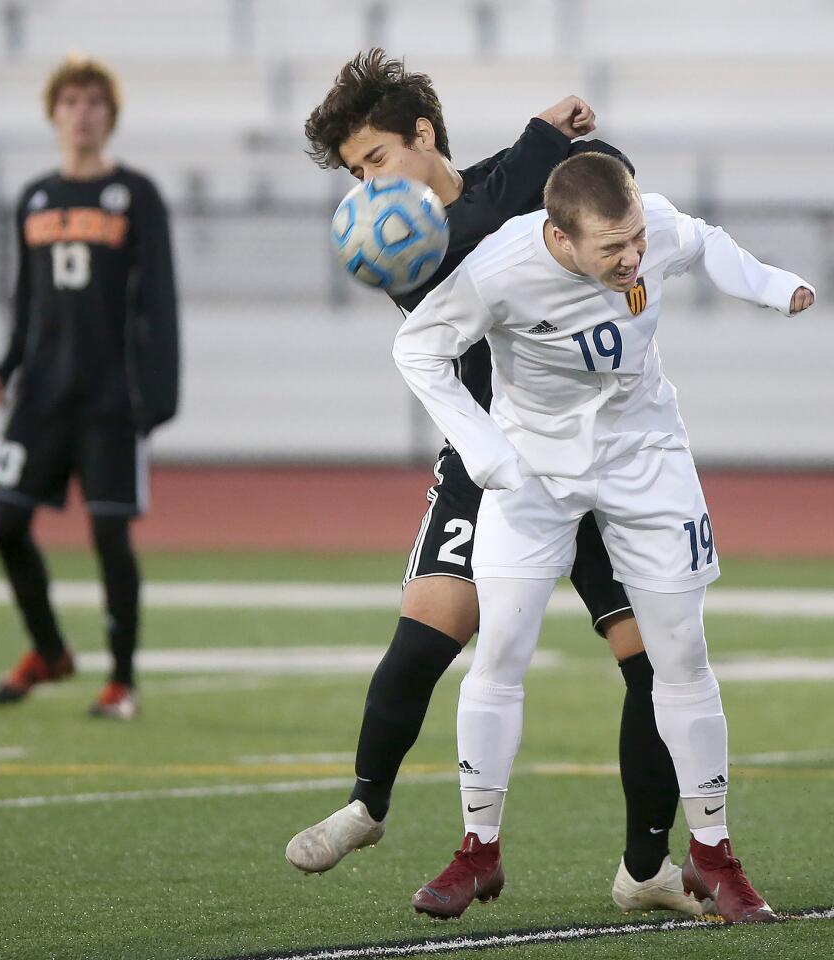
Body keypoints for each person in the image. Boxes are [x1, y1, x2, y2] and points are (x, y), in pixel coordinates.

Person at [286, 49, 698, 917]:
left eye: (373, 161)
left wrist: (558, 149)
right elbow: (469, 257)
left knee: (648, 661)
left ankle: (645, 868)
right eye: (355, 173)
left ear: (422, 134)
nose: (366, 185)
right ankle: (367, 804)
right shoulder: (409, 244)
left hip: (592, 453)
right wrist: (538, 139)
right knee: (431, 626)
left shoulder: (520, 176)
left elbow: (606, 187)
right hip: (490, 457)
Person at [393, 152, 815, 922]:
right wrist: (482, 448)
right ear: (558, 237)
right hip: (533, 470)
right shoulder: (498, 270)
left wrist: (772, 285)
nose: (632, 257)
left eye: (634, 241)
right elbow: (417, 349)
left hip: (644, 457)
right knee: (500, 652)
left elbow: (707, 242)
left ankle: (714, 854)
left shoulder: (645, 224)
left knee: (680, 655)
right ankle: (475, 851)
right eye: (611, 248)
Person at [0, 55, 179, 720]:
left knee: (109, 536)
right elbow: (27, 298)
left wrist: (159, 392)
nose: (82, 113)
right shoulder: (35, 198)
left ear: (110, 116)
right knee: (4, 523)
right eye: (70, 102)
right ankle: (49, 652)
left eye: (94, 102)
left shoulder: (137, 195)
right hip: (40, 397)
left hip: (108, 401)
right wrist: (7, 363)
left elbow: (159, 298)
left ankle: (121, 680)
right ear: (53, 113)